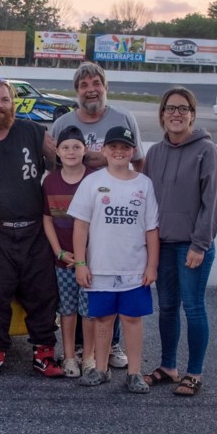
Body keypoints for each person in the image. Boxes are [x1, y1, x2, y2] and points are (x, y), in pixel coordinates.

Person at [0, 78, 64, 379]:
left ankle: (44, 352)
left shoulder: (34, 132)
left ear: (13, 104)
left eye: (4, 100)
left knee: (42, 294)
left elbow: (63, 166)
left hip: (34, 230)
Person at [50, 62, 143, 370]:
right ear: (76, 91)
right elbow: (53, 167)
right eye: (84, 84)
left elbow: (138, 164)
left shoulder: (123, 118)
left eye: (96, 83)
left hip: (113, 220)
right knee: (77, 295)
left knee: (109, 283)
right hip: (73, 222)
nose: (90, 89)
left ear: (105, 86)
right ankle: (76, 351)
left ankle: (112, 345)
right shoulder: (63, 122)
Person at [142, 87, 217, 396]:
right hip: (162, 246)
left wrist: (200, 244)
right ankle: (168, 366)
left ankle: (194, 373)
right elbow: (147, 200)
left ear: (192, 114)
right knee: (167, 308)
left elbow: (211, 203)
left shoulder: (206, 151)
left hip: (192, 247)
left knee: (193, 307)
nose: (176, 113)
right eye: (170, 108)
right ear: (162, 115)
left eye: (183, 108)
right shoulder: (155, 153)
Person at [68, 126, 159, 393]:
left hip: (134, 268)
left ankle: (134, 372)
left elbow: (151, 229)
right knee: (103, 319)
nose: (119, 152)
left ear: (133, 151)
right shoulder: (92, 182)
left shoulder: (144, 184)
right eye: (114, 147)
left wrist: (152, 264)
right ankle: (101, 368)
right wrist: (81, 263)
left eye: (125, 147)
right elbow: (80, 226)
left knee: (132, 319)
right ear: (104, 150)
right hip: (100, 267)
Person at [42, 125, 96, 378]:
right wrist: (59, 252)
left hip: (91, 260)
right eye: (65, 147)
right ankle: (69, 356)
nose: (71, 151)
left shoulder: (96, 179)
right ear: (57, 151)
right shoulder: (50, 181)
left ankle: (89, 356)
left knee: (89, 310)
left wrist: (85, 255)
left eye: (76, 146)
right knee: (67, 309)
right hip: (63, 259)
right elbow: (47, 219)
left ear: (85, 150)